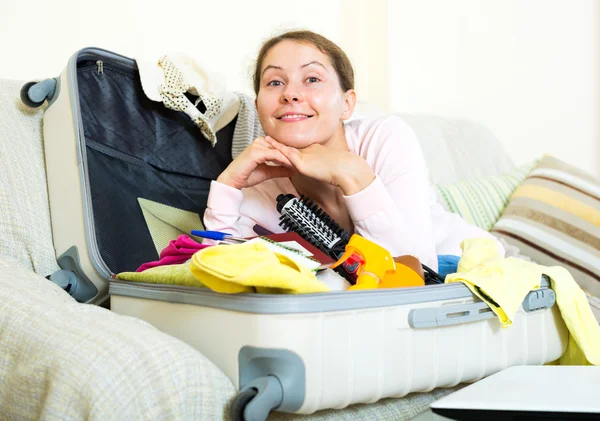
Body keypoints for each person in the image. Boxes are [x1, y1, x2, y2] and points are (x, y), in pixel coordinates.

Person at [203, 30, 504, 271]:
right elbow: (218, 274)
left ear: (347, 104)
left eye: (312, 79)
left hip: (459, 262)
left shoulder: (386, 137)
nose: (290, 94)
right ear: (258, 107)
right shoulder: (259, 180)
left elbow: (415, 273)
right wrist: (228, 184)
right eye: (275, 82)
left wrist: (354, 175)